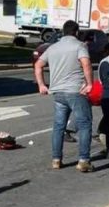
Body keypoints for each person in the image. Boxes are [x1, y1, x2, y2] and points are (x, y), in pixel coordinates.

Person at [34, 20, 94, 172]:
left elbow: (38, 65)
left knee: (59, 127)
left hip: (58, 93)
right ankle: (83, 160)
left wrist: (42, 85)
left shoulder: (53, 48)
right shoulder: (79, 46)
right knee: (84, 124)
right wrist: (89, 84)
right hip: (75, 91)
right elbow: (86, 64)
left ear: (63, 31)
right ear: (76, 32)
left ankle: (56, 159)